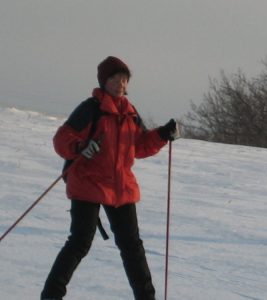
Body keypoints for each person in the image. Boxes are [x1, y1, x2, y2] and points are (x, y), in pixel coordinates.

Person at [42, 56, 177, 300]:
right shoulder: (91, 108)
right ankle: (51, 296)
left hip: (120, 187)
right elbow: (62, 139)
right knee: (80, 242)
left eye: (124, 80)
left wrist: (162, 135)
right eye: (115, 79)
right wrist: (81, 146)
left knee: (132, 247)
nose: (120, 84)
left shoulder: (130, 113)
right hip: (88, 183)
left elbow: (140, 145)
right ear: (104, 81)